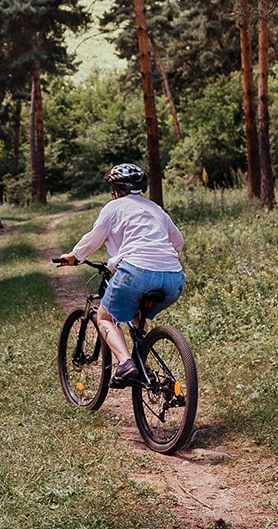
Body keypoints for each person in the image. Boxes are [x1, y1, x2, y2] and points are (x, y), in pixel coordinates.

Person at [55, 162, 185, 387]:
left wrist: (75, 257)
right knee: (136, 315)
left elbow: (94, 238)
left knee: (104, 316)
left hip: (135, 272)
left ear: (116, 189)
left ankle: (125, 364)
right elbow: (178, 242)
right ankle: (144, 365)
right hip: (173, 278)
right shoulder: (156, 209)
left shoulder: (113, 208)